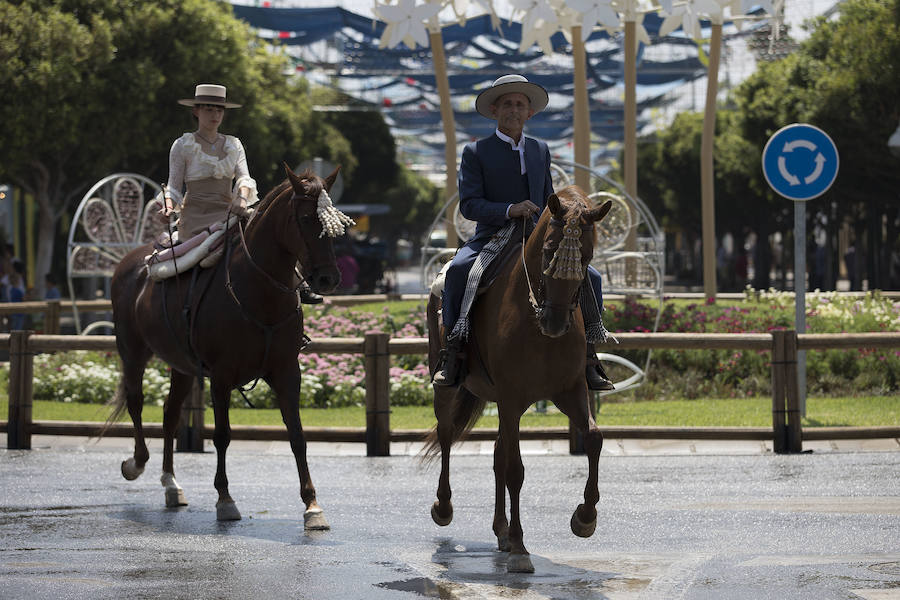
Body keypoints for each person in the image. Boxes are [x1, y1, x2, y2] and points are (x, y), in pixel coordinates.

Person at [433, 74, 614, 390]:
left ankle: (589, 356)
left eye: (520, 104)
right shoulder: (475, 152)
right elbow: (470, 205)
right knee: (459, 271)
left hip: (534, 235)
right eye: (507, 104)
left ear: (529, 113)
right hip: (491, 235)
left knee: (592, 277)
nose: (514, 110)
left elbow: (549, 199)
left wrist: (563, 217)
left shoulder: (540, 149)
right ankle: (453, 354)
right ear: (494, 110)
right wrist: (509, 209)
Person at [161, 84, 320, 303]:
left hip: (230, 211)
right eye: (208, 109)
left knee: (268, 236)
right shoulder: (182, 145)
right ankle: (187, 304)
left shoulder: (234, 144)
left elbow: (244, 178)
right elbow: (173, 187)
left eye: (219, 110)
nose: (215, 115)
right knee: (203, 256)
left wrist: (242, 198)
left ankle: (296, 284)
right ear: (196, 111)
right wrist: (169, 205)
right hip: (195, 217)